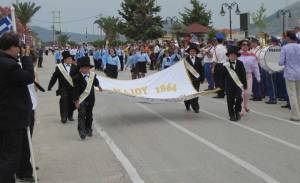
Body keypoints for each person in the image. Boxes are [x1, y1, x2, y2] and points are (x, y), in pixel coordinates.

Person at [0, 32, 35, 183]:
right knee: (11, 156)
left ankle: (24, 173)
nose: (19, 50)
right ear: (12, 47)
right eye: (18, 47)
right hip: (11, 117)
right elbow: (28, 77)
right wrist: (26, 57)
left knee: (18, 150)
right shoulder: (9, 64)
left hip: (10, 116)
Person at [73, 56, 102, 140]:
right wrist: (76, 101)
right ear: (80, 68)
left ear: (89, 68)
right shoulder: (76, 78)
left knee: (89, 115)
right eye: (83, 68)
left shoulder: (92, 75)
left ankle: (88, 129)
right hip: (81, 100)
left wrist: (99, 86)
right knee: (81, 115)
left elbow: (96, 82)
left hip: (91, 99)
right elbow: (75, 90)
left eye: (87, 68)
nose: (85, 69)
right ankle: (82, 131)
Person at [48, 51, 77, 123]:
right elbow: (54, 77)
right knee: (64, 102)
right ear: (65, 59)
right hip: (63, 88)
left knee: (71, 102)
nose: (70, 60)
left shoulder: (74, 67)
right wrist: (50, 86)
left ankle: (70, 115)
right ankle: (64, 117)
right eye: (69, 58)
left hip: (72, 88)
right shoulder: (59, 67)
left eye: (71, 58)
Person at [221, 46, 247, 122]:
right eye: (231, 55)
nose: (233, 56)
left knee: (239, 98)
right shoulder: (225, 65)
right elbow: (222, 76)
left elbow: (243, 74)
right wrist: (221, 86)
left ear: (237, 55)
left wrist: (245, 84)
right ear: (228, 56)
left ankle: (237, 111)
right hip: (229, 85)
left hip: (238, 84)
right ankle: (231, 114)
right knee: (230, 100)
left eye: (234, 55)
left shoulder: (240, 63)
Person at [279, 31, 300, 122]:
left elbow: (281, 62)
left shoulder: (285, 47)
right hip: (299, 72)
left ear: (288, 38)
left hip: (290, 73)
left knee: (292, 95)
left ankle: (295, 115)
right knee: (299, 94)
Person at [238, 40, 261, 115]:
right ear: (241, 46)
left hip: (248, 75)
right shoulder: (238, 55)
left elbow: (255, 67)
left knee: (247, 92)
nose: (245, 46)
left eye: (247, 45)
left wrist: (258, 77)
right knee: (240, 93)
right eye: (243, 44)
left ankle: (246, 104)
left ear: (249, 46)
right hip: (239, 76)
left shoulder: (252, 55)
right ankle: (241, 108)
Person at [184, 43, 205, 113]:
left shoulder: (199, 59)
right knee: (188, 93)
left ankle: (196, 107)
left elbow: (202, 69)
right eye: (191, 51)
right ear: (189, 52)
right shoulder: (185, 60)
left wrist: (202, 78)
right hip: (188, 79)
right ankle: (187, 104)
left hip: (197, 79)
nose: (192, 52)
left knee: (195, 93)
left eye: (194, 51)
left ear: (196, 52)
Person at [212, 33, 227, 98]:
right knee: (223, 79)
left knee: (218, 80)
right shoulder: (225, 48)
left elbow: (215, 59)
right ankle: (223, 92)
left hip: (218, 65)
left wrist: (213, 67)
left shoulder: (216, 48)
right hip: (225, 65)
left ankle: (220, 94)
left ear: (217, 41)